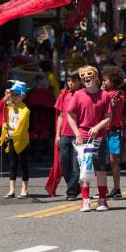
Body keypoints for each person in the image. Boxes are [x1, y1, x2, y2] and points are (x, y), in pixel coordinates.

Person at [67, 66, 112, 212]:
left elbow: (108, 117)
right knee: (84, 169)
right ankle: (85, 200)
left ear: (96, 78)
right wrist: (77, 135)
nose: (87, 79)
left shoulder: (104, 95)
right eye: (84, 77)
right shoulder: (78, 95)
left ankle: (102, 200)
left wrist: (98, 127)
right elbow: (70, 116)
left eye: (90, 76)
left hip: (98, 137)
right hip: (83, 137)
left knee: (100, 170)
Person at [0, 81, 30, 199]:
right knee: (12, 165)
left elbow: (21, 127)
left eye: (16, 94)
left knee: (23, 165)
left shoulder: (25, 110)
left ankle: (24, 190)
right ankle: (11, 190)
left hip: (22, 141)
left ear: (23, 96)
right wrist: (7, 94)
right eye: (12, 94)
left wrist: (10, 127)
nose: (14, 96)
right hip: (11, 139)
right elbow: (3, 105)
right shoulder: (10, 108)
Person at [54, 70, 81, 200]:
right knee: (64, 164)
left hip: (78, 134)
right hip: (64, 134)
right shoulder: (63, 95)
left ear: (79, 81)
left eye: (73, 80)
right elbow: (60, 115)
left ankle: (71, 192)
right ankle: (75, 187)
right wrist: (57, 135)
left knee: (76, 164)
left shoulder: (83, 94)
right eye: (69, 81)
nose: (71, 83)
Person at [101, 66, 126, 199]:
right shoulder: (103, 94)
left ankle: (117, 188)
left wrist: (102, 96)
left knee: (113, 160)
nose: (103, 83)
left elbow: (111, 106)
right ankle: (102, 189)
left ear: (113, 80)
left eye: (105, 80)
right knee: (101, 160)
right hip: (103, 129)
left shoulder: (119, 93)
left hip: (114, 129)